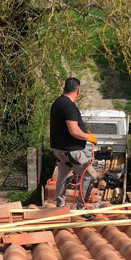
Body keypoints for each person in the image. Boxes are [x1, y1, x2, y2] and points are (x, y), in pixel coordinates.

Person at [50, 77, 98, 209]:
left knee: (63, 175)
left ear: (64, 88)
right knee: (90, 175)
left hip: (59, 149)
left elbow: (66, 127)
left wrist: (84, 132)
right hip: (71, 150)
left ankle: (60, 205)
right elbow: (74, 131)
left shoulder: (58, 102)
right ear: (78, 91)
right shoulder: (68, 106)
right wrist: (88, 137)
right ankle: (82, 207)